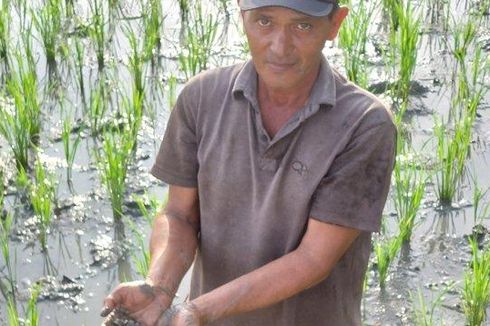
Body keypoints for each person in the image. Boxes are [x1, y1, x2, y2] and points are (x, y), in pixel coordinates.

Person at [101, 0, 396, 325]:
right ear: (242, 16)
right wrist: (159, 286)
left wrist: (200, 309)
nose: (280, 47)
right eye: (264, 21)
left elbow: (313, 259)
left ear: (335, 24)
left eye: (303, 26)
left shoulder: (364, 124)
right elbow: (180, 214)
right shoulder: (201, 98)